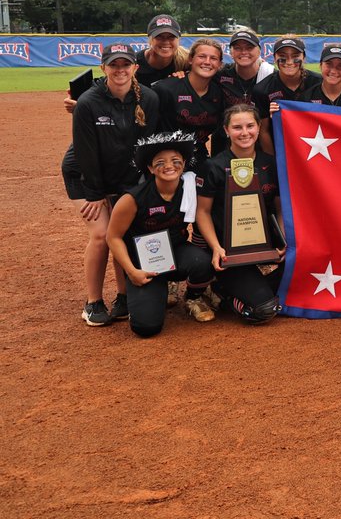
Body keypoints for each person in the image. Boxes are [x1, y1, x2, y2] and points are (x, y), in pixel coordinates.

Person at [62, 43, 161, 326]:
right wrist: (95, 193)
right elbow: (85, 152)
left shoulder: (149, 99)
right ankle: (92, 302)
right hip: (84, 174)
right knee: (102, 234)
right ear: (104, 67)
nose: (120, 70)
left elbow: (147, 145)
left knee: (123, 231)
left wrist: (141, 184)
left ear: (135, 68)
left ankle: (123, 297)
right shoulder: (89, 103)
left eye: (125, 64)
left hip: (124, 175)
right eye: (114, 65)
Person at [106, 131, 217, 336]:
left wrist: (217, 248)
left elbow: (203, 214)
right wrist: (132, 271)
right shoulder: (133, 198)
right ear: (150, 168)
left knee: (203, 261)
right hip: (143, 261)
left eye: (176, 160)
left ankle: (192, 297)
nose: (169, 166)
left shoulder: (190, 188)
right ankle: (156, 293)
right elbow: (112, 237)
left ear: (184, 163)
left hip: (176, 250)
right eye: (160, 162)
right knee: (146, 327)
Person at [194, 106, 285, 325]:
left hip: (263, 244)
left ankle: (250, 285)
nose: (244, 132)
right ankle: (223, 292)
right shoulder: (213, 166)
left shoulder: (271, 164)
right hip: (229, 251)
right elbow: (202, 212)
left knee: (307, 263)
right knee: (262, 310)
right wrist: (216, 248)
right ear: (226, 131)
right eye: (237, 127)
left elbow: (279, 207)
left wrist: (283, 240)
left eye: (250, 126)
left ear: (258, 127)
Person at [62, 13, 186, 114]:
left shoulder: (186, 62)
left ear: (178, 39)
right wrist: (82, 100)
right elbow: (108, 82)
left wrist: (186, 76)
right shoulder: (133, 62)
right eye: (159, 37)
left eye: (171, 37)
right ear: (150, 39)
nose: (166, 42)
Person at [153, 36, 225, 168]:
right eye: (202, 56)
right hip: (167, 160)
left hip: (199, 156)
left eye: (213, 58)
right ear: (191, 59)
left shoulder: (220, 92)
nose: (207, 62)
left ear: (220, 64)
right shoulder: (166, 89)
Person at [251, 35, 319, 154]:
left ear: (304, 57)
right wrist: (274, 162)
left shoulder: (319, 82)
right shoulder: (262, 89)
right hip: (282, 151)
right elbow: (264, 131)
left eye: (295, 56)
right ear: (274, 58)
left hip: (317, 147)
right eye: (282, 57)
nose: (289, 62)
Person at [212, 28, 274, 154]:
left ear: (259, 50)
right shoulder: (219, 75)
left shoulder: (271, 77)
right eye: (238, 48)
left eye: (249, 47)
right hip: (224, 147)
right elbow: (195, 73)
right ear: (231, 52)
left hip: (260, 149)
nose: (243, 52)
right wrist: (179, 74)